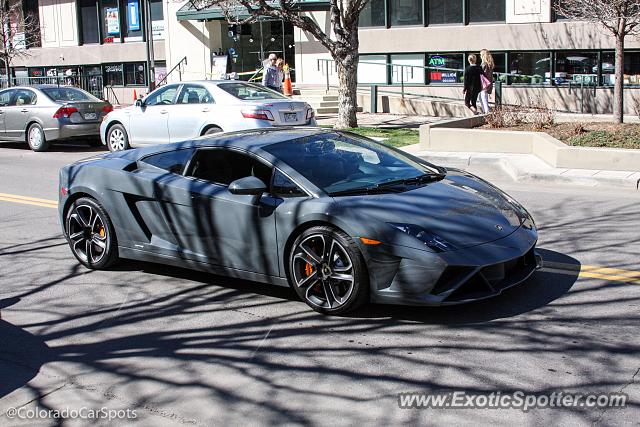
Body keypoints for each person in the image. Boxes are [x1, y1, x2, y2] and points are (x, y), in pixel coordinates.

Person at [479, 49, 495, 114]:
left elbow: (482, 73)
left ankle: (486, 111)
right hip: (488, 82)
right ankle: (486, 110)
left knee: (483, 97)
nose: (480, 56)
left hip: (484, 83)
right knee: (482, 97)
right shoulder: (490, 64)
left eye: (480, 54)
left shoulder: (484, 64)